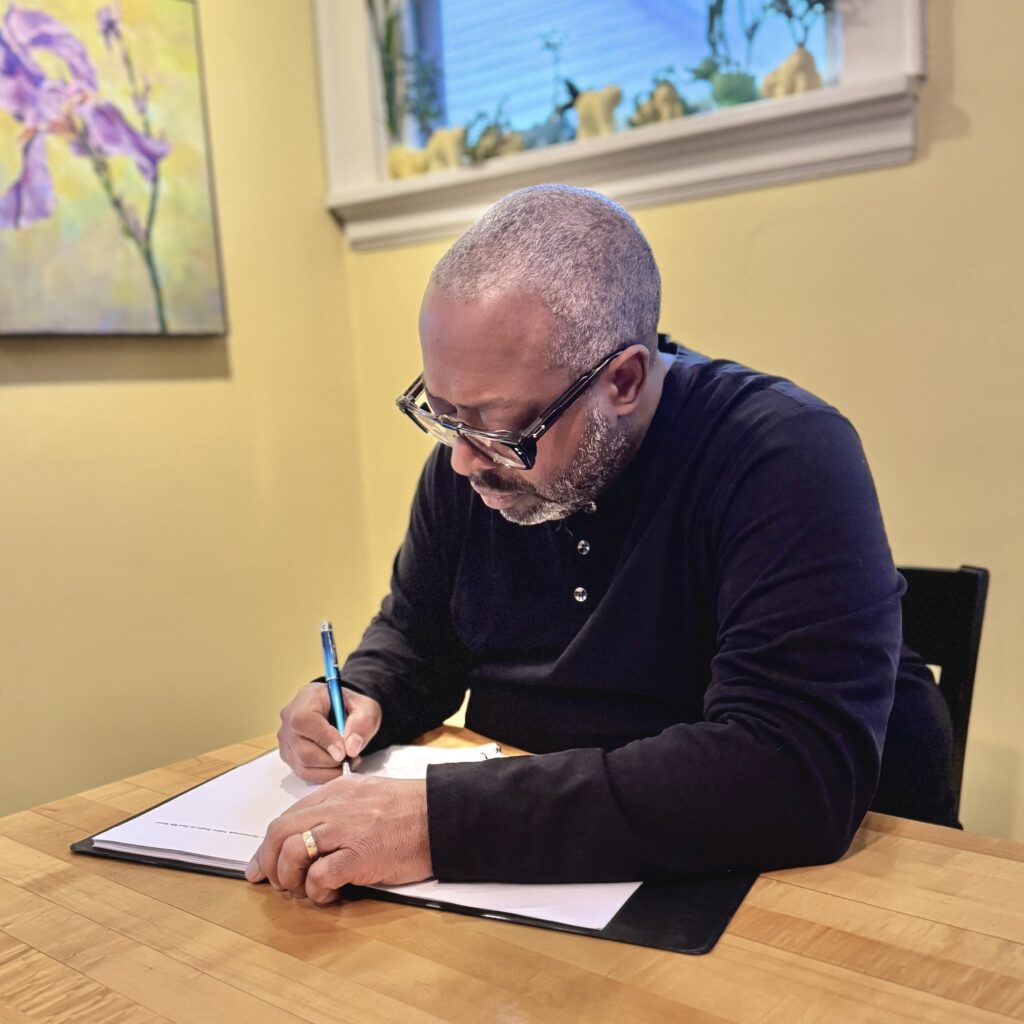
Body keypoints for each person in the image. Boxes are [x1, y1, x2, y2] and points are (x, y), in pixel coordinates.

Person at [246, 185, 956, 905]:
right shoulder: (474, 461)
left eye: (496, 423)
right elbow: (419, 637)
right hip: (552, 885)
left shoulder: (783, 454)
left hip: (811, 895)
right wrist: (359, 693)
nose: (463, 459)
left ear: (623, 380)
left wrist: (438, 822)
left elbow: (789, 771)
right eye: (441, 410)